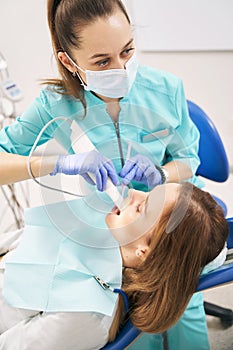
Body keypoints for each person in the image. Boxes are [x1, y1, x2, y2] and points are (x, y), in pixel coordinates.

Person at [0, 0, 207, 349]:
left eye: (127, 51)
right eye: (102, 62)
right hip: (113, 240)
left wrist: (160, 172)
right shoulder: (55, 104)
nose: (122, 68)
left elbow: (189, 159)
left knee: (184, 305)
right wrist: (53, 163)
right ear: (69, 61)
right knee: (134, 330)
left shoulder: (165, 89)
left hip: (170, 226)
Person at [0, 183, 229, 349]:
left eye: (142, 207)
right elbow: (16, 242)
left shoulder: (87, 315)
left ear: (144, 251)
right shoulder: (94, 229)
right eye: (149, 191)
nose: (133, 192)